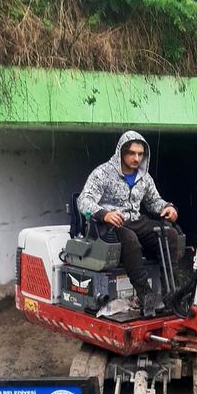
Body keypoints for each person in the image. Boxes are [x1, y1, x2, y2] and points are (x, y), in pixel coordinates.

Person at [77, 130, 181, 317]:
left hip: (137, 221)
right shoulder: (102, 173)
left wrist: (168, 207)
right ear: (121, 153)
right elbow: (83, 201)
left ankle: (171, 296)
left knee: (170, 234)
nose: (136, 158)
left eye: (140, 154)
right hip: (110, 225)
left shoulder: (145, 177)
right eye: (132, 153)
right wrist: (104, 214)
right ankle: (145, 294)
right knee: (130, 239)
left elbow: (153, 201)